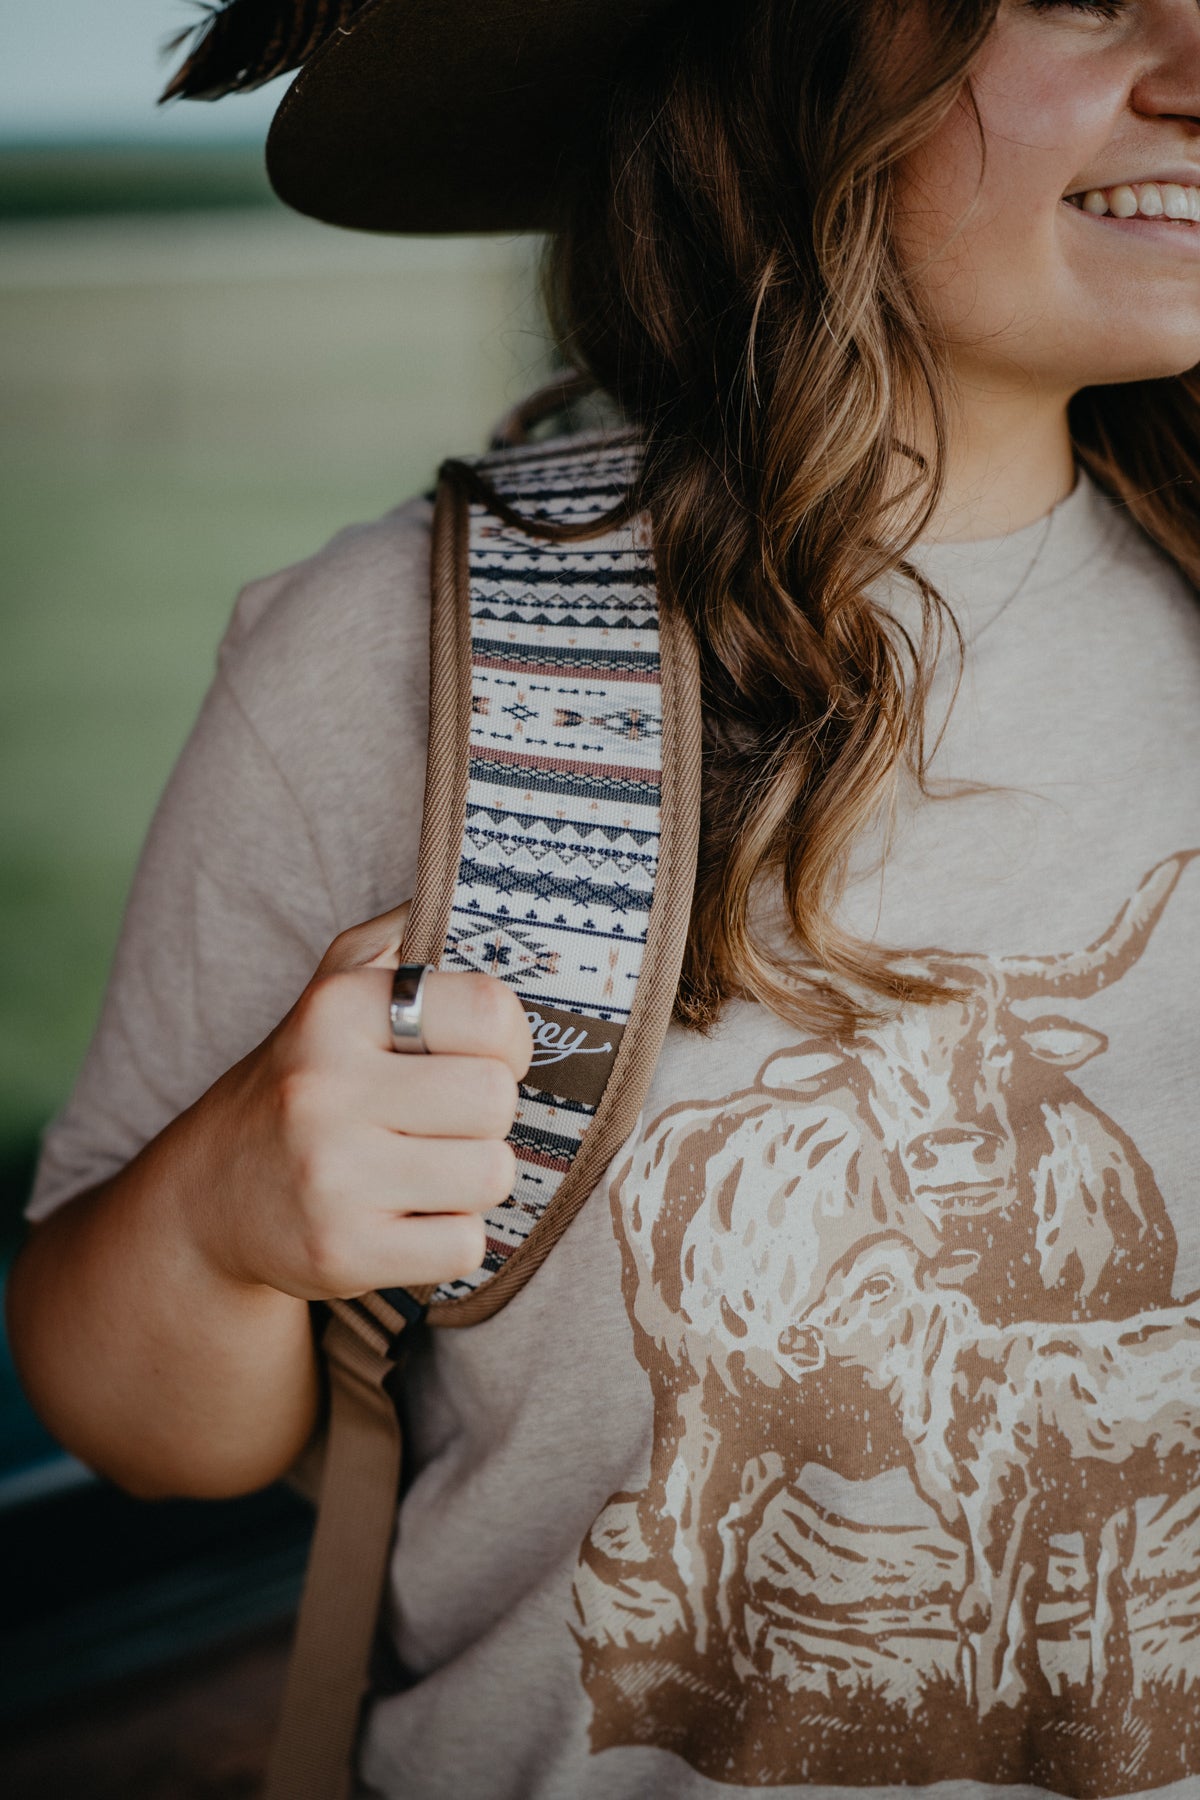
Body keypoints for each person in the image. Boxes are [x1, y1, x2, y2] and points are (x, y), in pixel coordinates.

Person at [8, 0, 1200, 1792]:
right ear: (770, 57)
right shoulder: (410, 671)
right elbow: (145, 1421)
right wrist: (221, 1221)